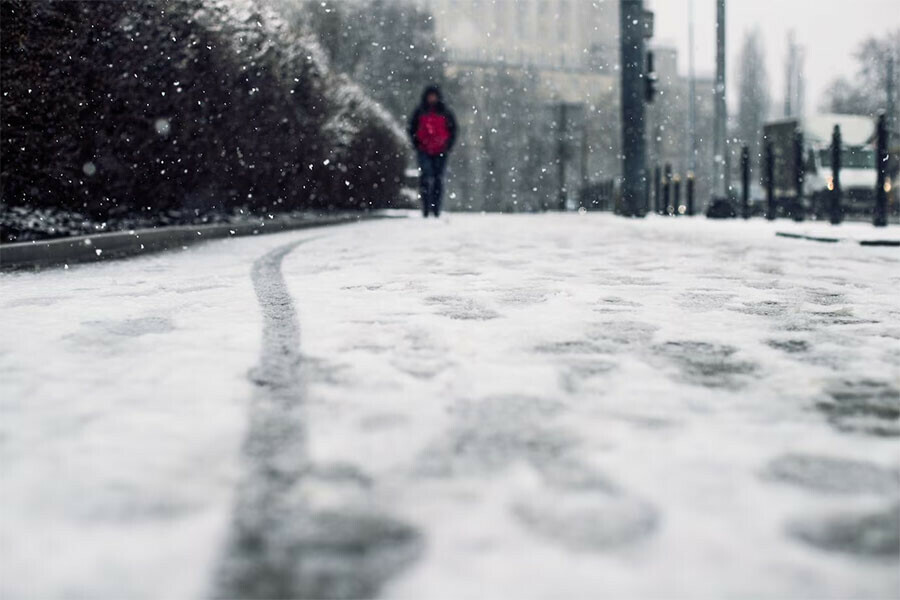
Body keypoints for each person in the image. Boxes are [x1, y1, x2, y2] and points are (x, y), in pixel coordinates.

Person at [408, 85, 457, 218]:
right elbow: (412, 129)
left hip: (440, 150)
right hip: (424, 150)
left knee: (437, 179)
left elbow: (453, 130)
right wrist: (417, 144)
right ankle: (426, 207)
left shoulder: (445, 112)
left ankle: (435, 209)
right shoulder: (420, 111)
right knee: (426, 177)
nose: (432, 98)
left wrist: (448, 145)